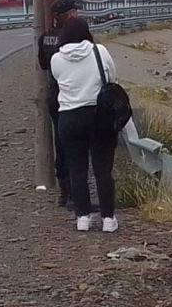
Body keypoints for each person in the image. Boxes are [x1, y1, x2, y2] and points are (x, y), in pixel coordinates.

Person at [51, 18, 119, 233]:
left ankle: (83, 217)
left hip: (69, 118)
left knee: (76, 169)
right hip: (98, 115)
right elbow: (112, 77)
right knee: (103, 170)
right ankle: (108, 219)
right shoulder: (99, 51)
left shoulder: (56, 59)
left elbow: (58, 80)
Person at [38, 0, 78, 209]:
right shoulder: (74, 38)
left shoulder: (45, 37)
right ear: (68, 15)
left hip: (55, 95)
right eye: (73, 13)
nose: (76, 16)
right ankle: (76, 194)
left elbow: (43, 65)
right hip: (74, 96)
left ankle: (65, 194)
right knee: (77, 146)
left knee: (60, 145)